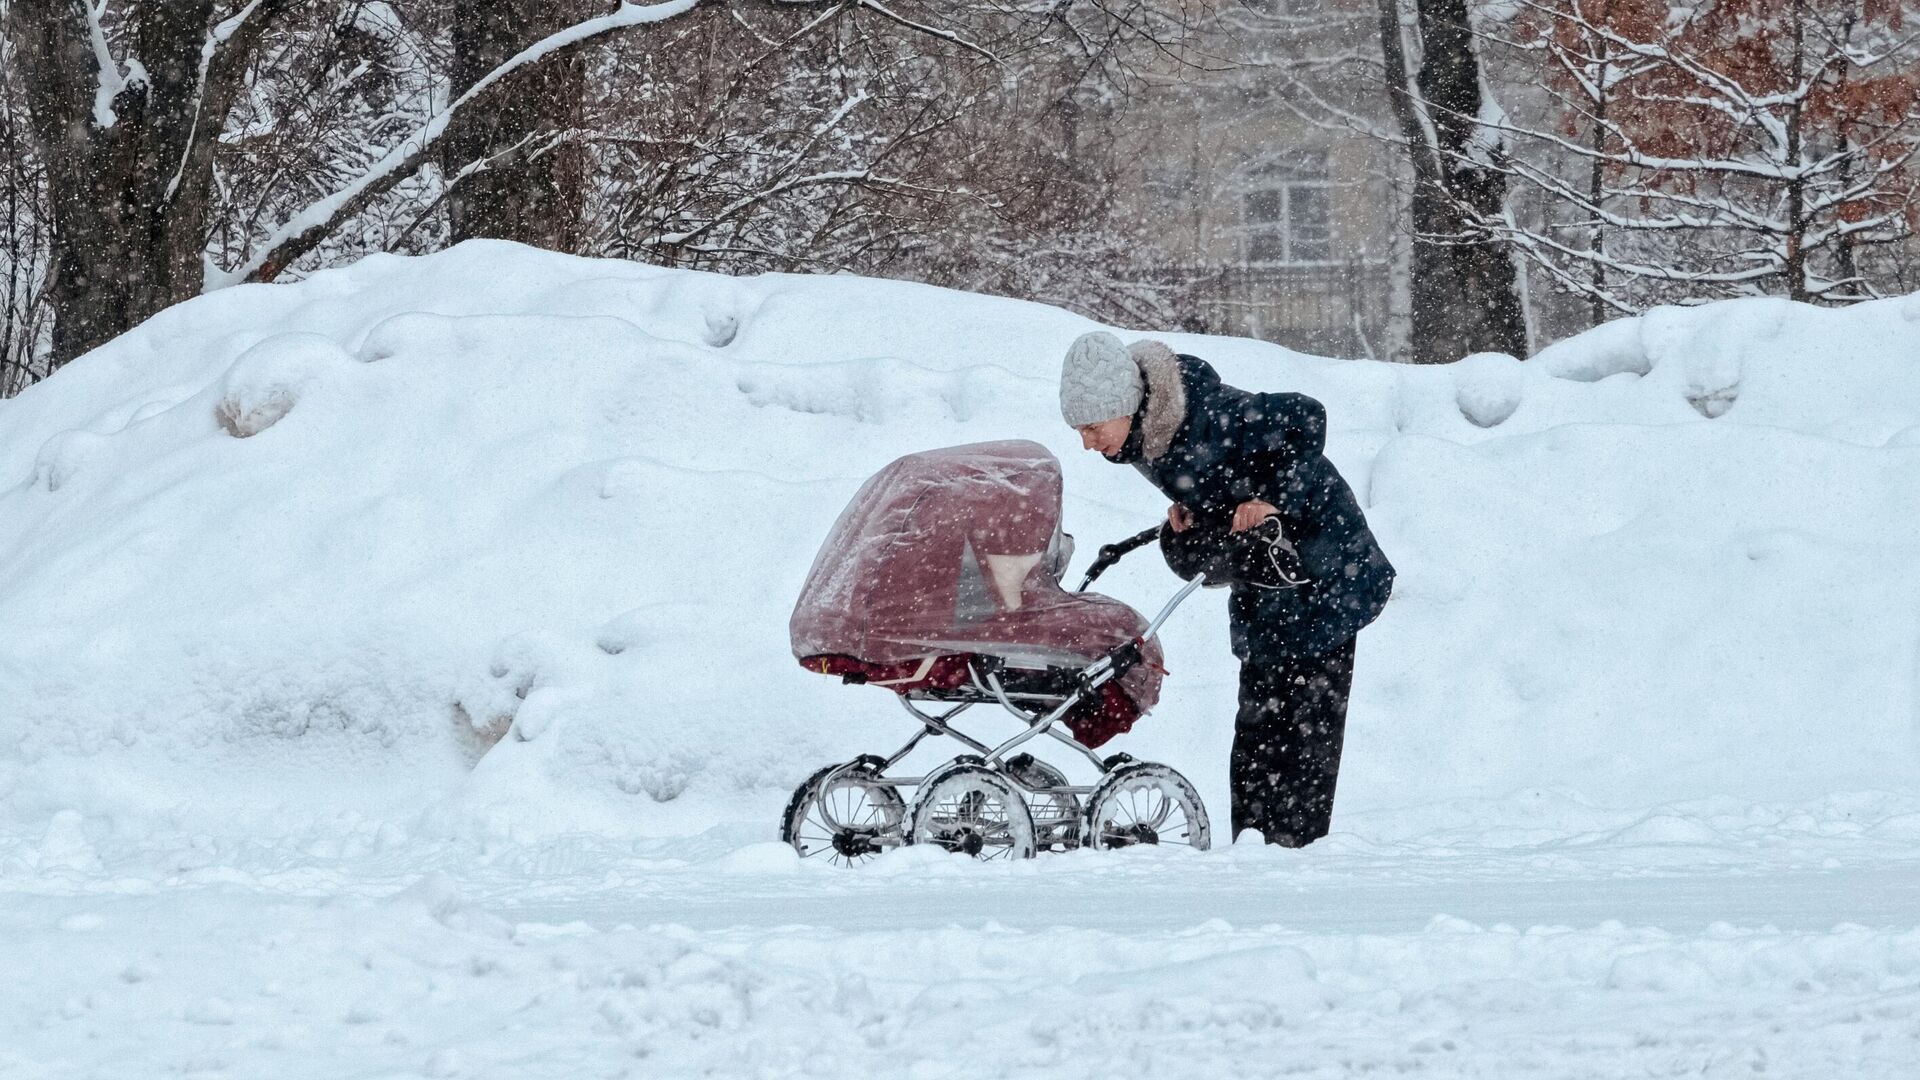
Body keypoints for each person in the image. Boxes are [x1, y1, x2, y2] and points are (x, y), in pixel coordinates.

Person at [1058, 330, 1394, 846]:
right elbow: (1220, 479)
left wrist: (1269, 499)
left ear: (1122, 406)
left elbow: (1307, 416)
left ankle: (1297, 854)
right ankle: (1253, 848)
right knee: (1258, 725)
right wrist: (1193, 516)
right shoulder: (1145, 436)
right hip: (1266, 578)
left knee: (1306, 730)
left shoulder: (1207, 415)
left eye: (1092, 427)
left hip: (1328, 573)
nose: (1087, 442)